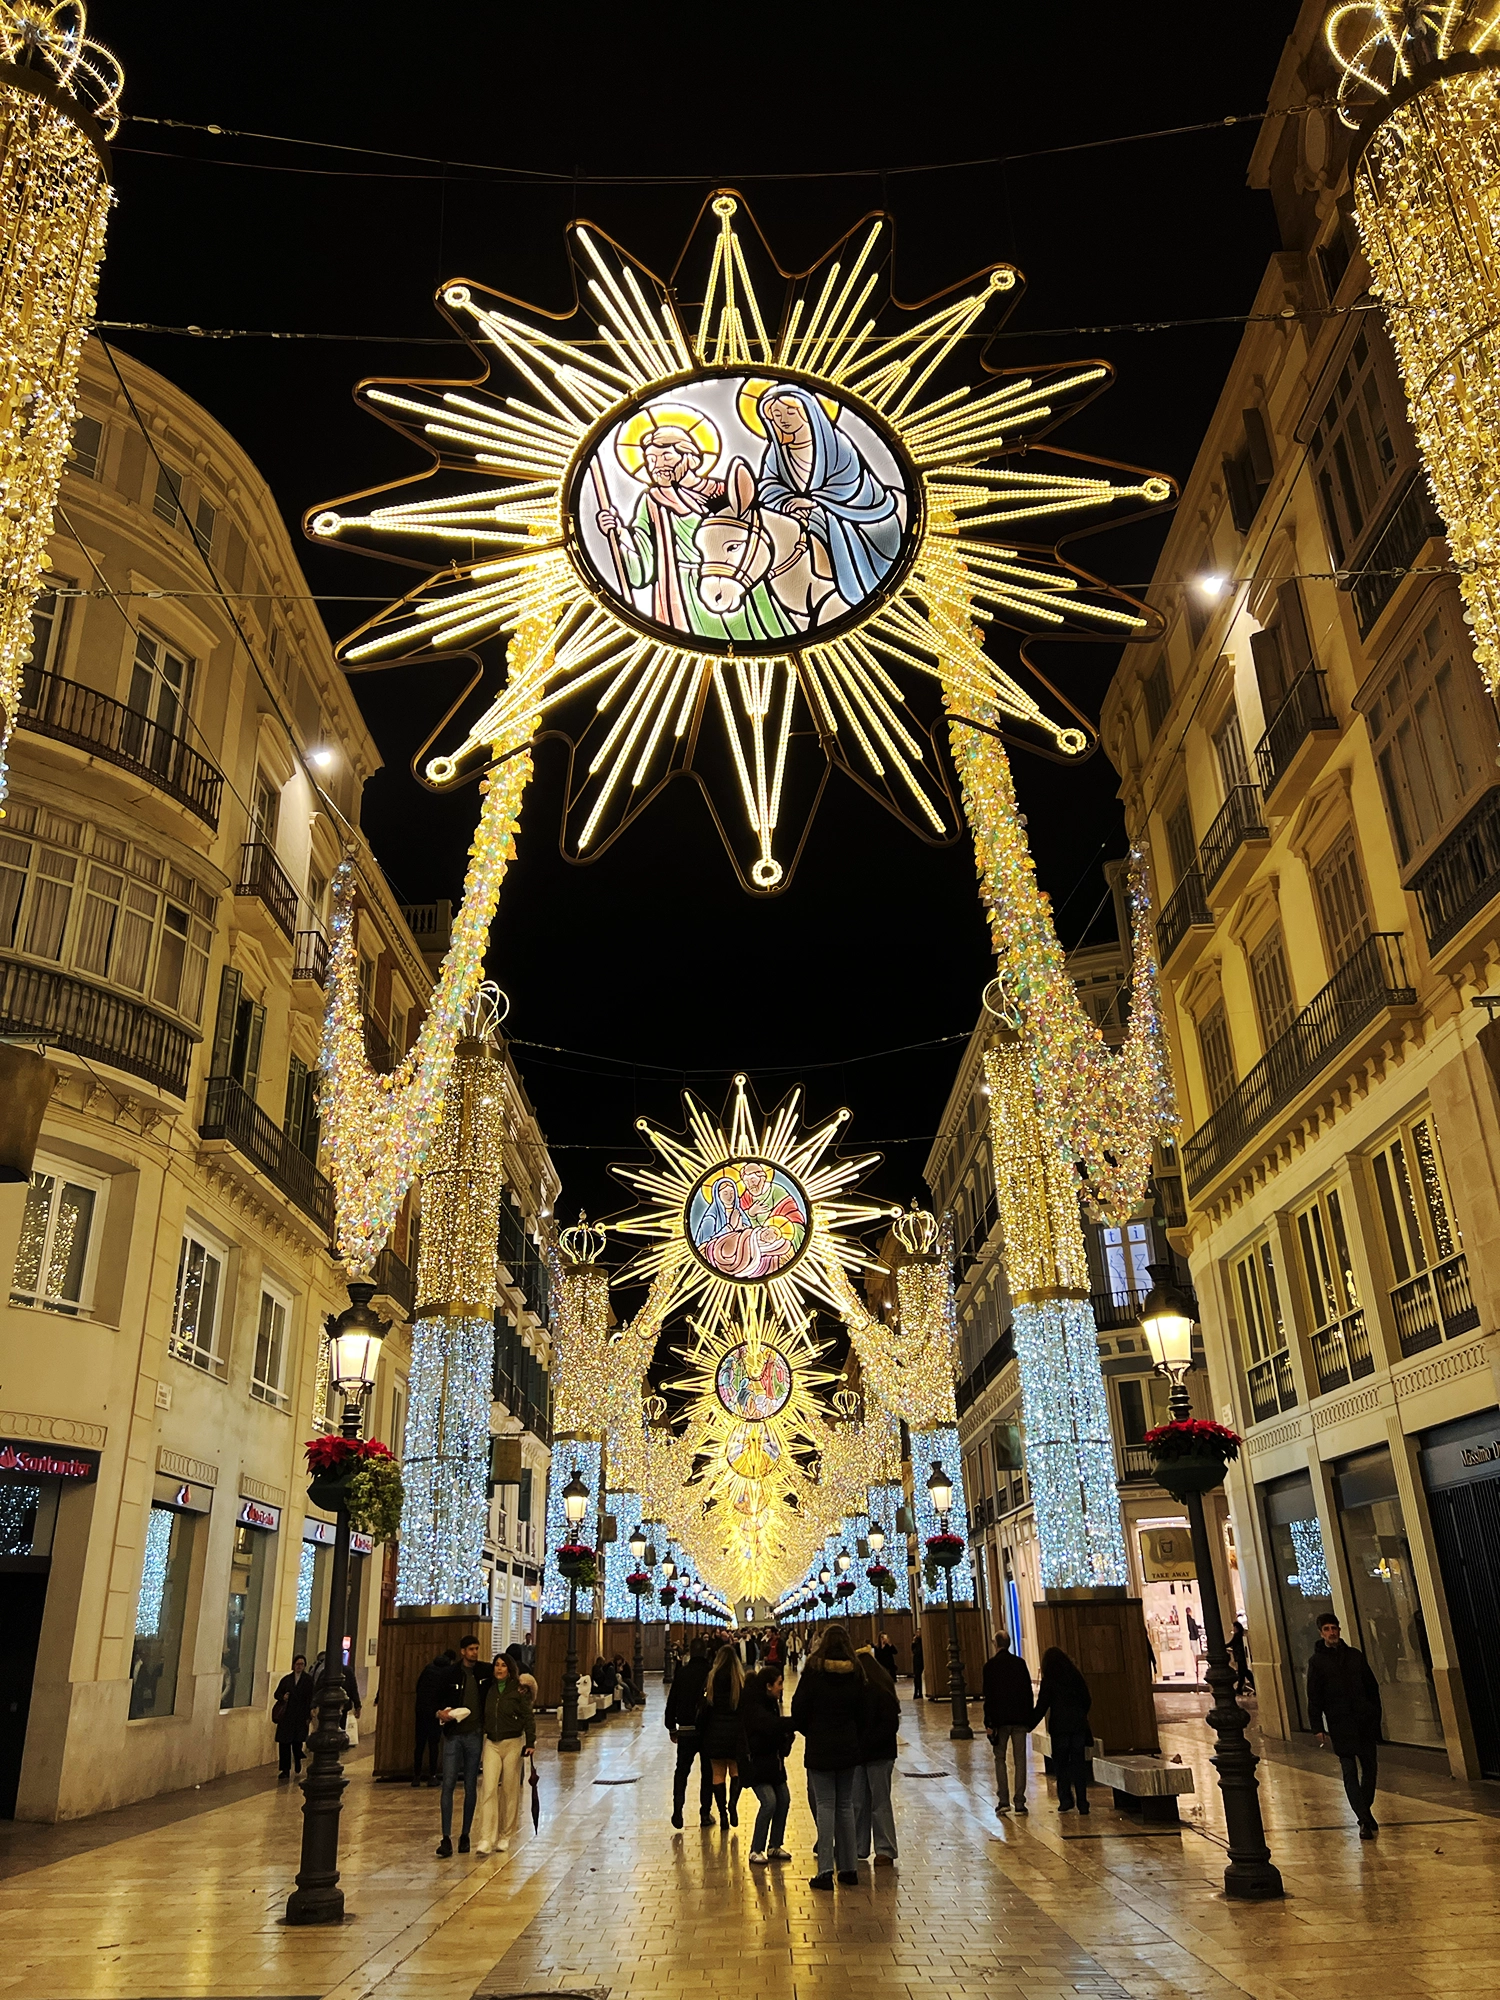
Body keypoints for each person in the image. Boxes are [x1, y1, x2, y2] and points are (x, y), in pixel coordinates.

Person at [791, 1622, 866, 1889]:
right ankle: (849, 1868)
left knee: (825, 1805)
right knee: (845, 1805)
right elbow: (863, 1709)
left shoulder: (814, 1671)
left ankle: (825, 1870)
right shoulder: (856, 1670)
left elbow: (798, 1708)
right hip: (847, 1745)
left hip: (821, 1746)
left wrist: (810, 1730)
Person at [1307, 1611, 1382, 1838]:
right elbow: (1314, 1696)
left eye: (1335, 1628)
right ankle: (1364, 1820)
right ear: (1321, 1633)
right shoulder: (1317, 1662)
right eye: (1328, 1629)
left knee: (1370, 1769)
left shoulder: (1355, 1656)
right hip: (1340, 1724)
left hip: (1364, 1722)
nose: (1332, 1633)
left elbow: (1371, 1687)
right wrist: (1317, 1727)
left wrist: (1375, 1714)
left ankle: (1364, 1812)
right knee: (1349, 1770)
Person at [472, 1653, 535, 1855]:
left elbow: (528, 1716)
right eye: (496, 1665)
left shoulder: (518, 1690)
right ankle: (485, 1838)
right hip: (492, 1742)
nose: (499, 1669)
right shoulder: (488, 1689)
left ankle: (505, 1835)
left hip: (513, 1742)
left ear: (510, 1669)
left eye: (503, 1666)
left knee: (509, 1789)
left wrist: (531, 1742)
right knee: (488, 1788)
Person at [435, 1635, 491, 1857]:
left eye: (477, 1648)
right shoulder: (449, 1674)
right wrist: (440, 1713)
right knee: (448, 1782)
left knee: (470, 1784)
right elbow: (435, 1699)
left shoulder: (483, 1672)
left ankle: (465, 1834)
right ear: (462, 1651)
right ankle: (446, 1836)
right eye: (471, 1649)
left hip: (474, 1735)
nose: (475, 1653)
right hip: (453, 1735)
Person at [1031, 1647, 1093, 1815]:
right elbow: (1087, 1699)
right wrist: (1080, 1715)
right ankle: (1083, 1802)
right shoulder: (1075, 1676)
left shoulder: (1050, 1680)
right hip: (1078, 1726)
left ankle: (1065, 1800)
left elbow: (1042, 1706)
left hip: (1060, 1728)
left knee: (1061, 1764)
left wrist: (1029, 1724)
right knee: (1079, 1764)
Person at [854, 1644, 900, 1866]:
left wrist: (862, 1742)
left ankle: (860, 1846)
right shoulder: (885, 1688)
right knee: (878, 1801)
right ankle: (883, 1849)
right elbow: (891, 1724)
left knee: (861, 1802)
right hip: (881, 1753)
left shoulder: (864, 1691)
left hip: (869, 1753)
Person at [743, 1665, 794, 1864]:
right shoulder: (754, 1706)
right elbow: (769, 1726)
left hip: (774, 1765)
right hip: (757, 1767)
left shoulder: (772, 1703)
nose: (782, 1687)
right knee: (769, 1802)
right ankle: (756, 1848)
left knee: (784, 1799)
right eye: (779, 1684)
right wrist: (791, 1725)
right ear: (768, 1686)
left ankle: (774, 1845)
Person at [664, 1635, 714, 1828]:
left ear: (691, 1653)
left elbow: (672, 1700)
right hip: (706, 1731)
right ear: (706, 1652)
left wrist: (671, 1728)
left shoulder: (682, 1673)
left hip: (685, 1731)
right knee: (707, 1773)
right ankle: (705, 1813)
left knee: (682, 1771)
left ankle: (678, 1810)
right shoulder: (711, 1673)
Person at [698, 1643, 749, 1828]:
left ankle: (722, 1815)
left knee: (717, 1774)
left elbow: (706, 1706)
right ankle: (733, 1805)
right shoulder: (739, 1679)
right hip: (735, 1733)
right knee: (735, 1771)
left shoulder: (712, 1678)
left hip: (715, 1732)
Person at [982, 1631, 1033, 1815]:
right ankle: (1020, 1801)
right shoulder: (1020, 1664)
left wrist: (988, 1722)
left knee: (1000, 1759)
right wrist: (1030, 1719)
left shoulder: (990, 1666)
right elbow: (1027, 1692)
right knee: (1020, 1760)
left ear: (996, 1644)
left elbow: (989, 1697)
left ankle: (1003, 1800)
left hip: (999, 1721)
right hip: (1019, 1719)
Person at [412, 1648, 455, 1787]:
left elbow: (418, 1687)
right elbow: (445, 1692)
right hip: (436, 1712)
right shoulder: (447, 1672)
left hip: (421, 1710)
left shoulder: (428, 1668)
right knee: (433, 1744)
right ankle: (432, 1776)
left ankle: (416, 1777)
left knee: (419, 1744)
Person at [272, 1654, 315, 1780]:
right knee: (284, 1744)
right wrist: (283, 1697)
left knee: (297, 1742)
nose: (299, 1667)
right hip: (287, 1717)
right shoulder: (286, 1679)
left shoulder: (308, 1680)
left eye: (302, 1664)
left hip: (300, 1716)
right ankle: (285, 1769)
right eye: (297, 1664)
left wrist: (309, 1713)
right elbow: (277, 1694)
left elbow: (311, 1697)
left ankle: (297, 1760)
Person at [1228, 1619, 1255, 1696]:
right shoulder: (1241, 1635)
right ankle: (1240, 1689)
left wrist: (1222, 1646)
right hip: (1242, 1656)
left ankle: (1239, 1689)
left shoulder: (1237, 1636)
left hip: (1240, 1657)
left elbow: (1231, 1643)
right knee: (1244, 1673)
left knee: (1243, 1673)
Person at [910, 1630, 925, 1701]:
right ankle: (917, 1692)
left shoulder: (920, 1641)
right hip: (916, 1660)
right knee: (917, 1677)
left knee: (917, 1676)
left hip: (919, 1660)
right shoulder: (916, 1641)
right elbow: (913, 1650)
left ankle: (918, 1693)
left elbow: (917, 1651)